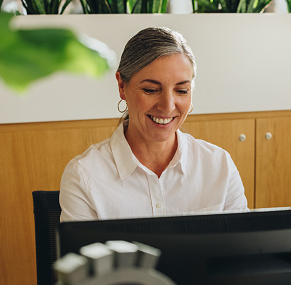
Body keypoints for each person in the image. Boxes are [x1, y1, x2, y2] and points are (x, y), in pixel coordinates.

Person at [59, 27, 248, 221]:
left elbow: (244, 246)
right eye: (150, 89)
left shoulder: (219, 166)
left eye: (182, 91)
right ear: (122, 87)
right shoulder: (84, 176)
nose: (167, 106)